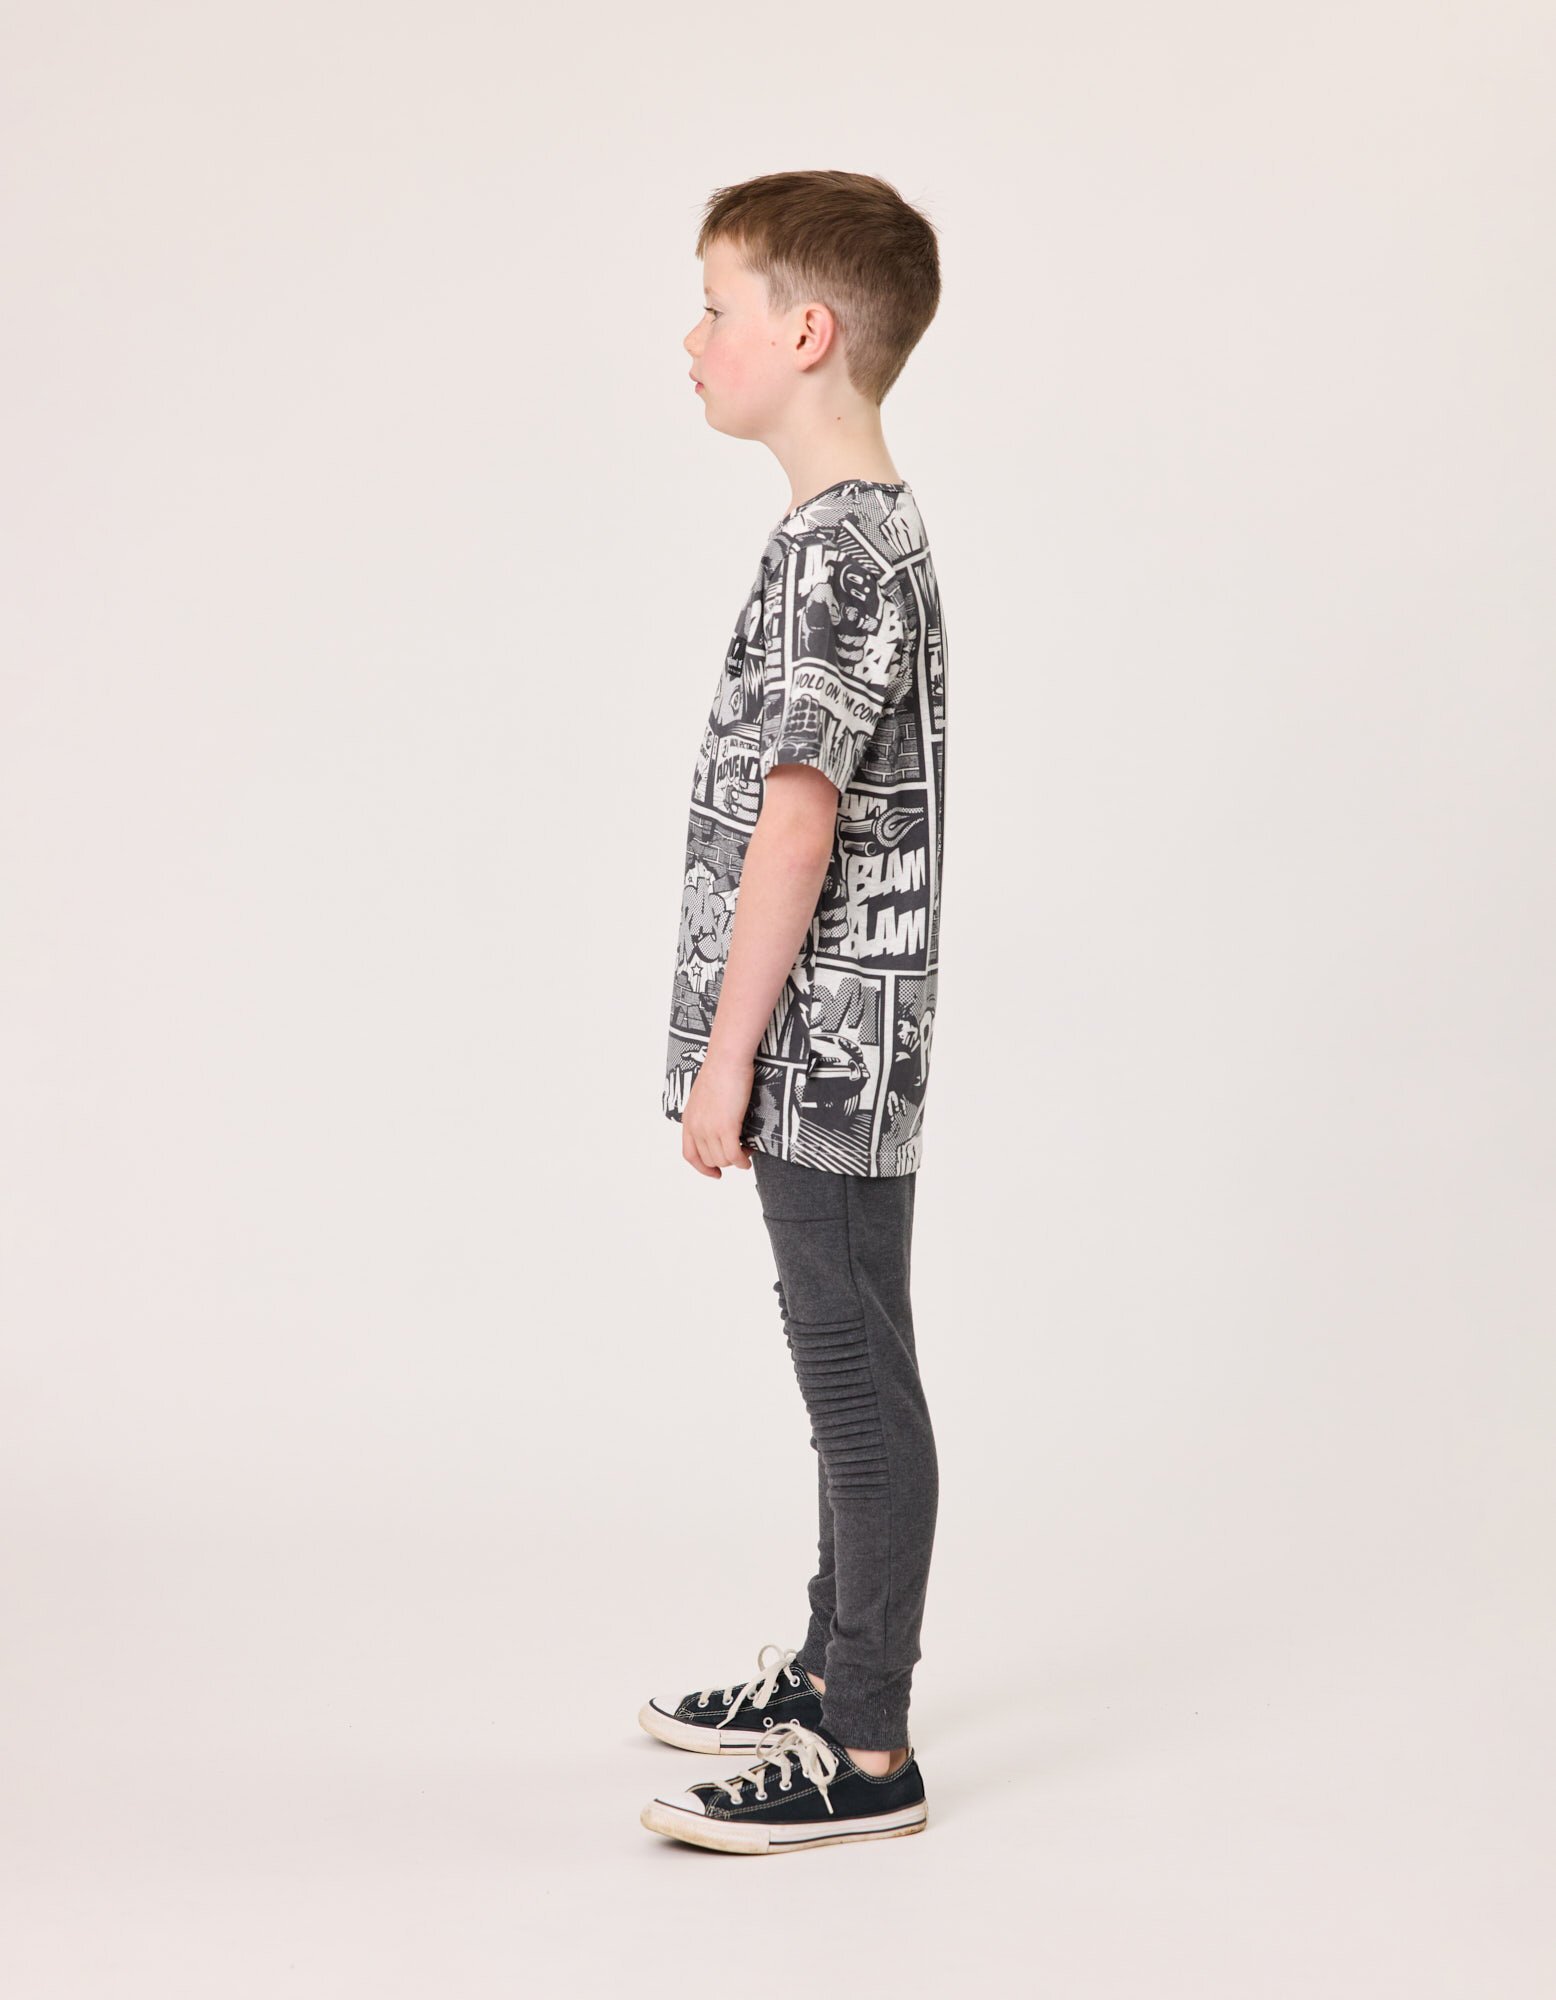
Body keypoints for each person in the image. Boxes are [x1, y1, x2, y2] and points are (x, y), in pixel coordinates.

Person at [642, 170, 948, 1856]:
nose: (691, 339)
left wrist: (730, 1053)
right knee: (854, 1353)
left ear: (808, 331)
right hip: (852, 1041)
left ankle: (868, 1749)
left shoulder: (837, 551)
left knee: (850, 1375)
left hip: (824, 1044)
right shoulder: (862, 532)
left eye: (715, 306)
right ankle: (840, 1670)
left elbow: (799, 821)